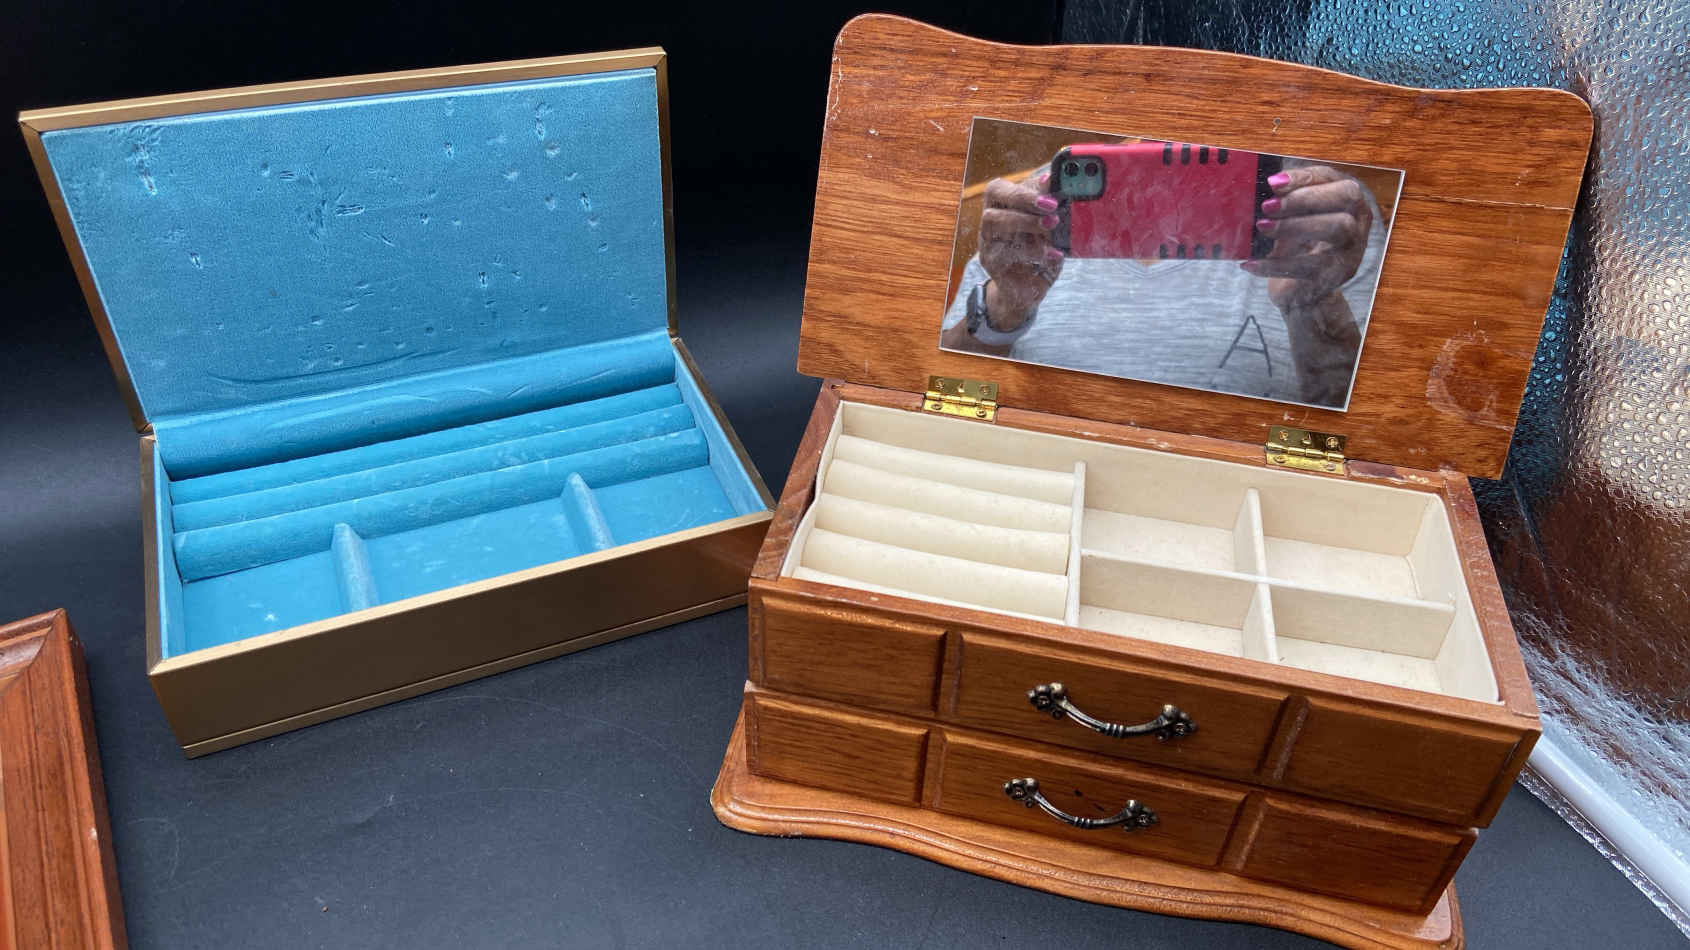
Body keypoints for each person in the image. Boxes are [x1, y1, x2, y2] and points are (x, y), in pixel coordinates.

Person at [941, 161, 1386, 408]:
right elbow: (949, 391)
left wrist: (1311, 303)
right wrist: (1006, 305)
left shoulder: (1320, 217)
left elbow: (1350, 431)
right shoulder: (1041, 201)